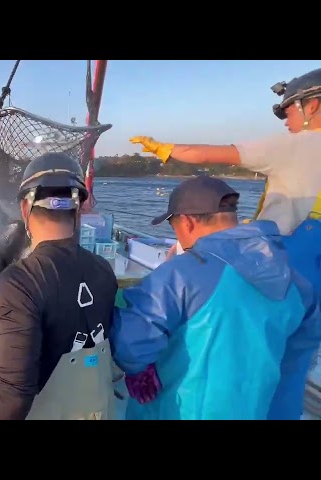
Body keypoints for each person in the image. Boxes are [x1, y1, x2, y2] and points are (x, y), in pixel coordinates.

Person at [109, 176, 321, 420]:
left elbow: (132, 344)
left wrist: (138, 369)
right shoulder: (295, 277)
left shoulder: (180, 273)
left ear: (186, 222)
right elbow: (299, 354)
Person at [129, 68, 321, 279]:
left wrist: (162, 148)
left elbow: (202, 154)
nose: (286, 122)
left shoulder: (296, 144)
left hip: (282, 265)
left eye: (289, 112)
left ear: (312, 106)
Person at [0, 152, 119, 420]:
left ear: (25, 209)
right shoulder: (103, 269)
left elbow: (14, 390)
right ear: (78, 208)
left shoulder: (20, 281)